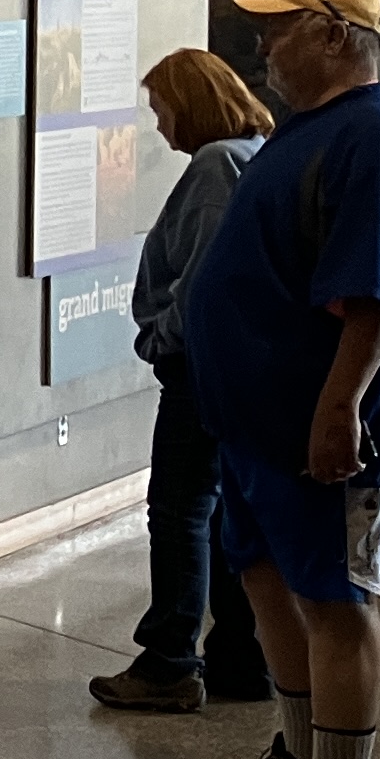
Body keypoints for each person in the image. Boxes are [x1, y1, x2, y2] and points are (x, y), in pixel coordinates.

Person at [177, 0, 380, 759]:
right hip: (264, 430)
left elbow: (374, 295)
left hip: (328, 434)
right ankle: (302, 756)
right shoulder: (313, 130)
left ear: (337, 35)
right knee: (266, 580)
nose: (265, 46)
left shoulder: (374, 138)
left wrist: (341, 410)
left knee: (336, 597)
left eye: (283, 28)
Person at [86, 49, 275, 715]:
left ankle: (169, 659)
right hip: (234, 367)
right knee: (220, 509)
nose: (157, 123)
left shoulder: (216, 165)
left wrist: (162, 339)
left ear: (189, 103)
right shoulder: (253, 153)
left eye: (161, 106)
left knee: (178, 511)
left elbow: (202, 278)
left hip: (202, 368)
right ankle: (239, 655)